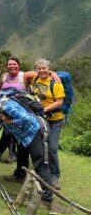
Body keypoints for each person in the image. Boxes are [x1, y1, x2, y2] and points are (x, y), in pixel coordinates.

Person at [0, 86, 55, 205]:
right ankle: (20, 176)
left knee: (40, 163)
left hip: (34, 131)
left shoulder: (6, 104)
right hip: (22, 136)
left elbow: (28, 119)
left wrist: (10, 121)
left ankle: (47, 197)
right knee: (21, 156)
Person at [25, 59, 65, 189]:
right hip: (40, 119)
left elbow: (59, 102)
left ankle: (55, 176)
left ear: (49, 68)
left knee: (52, 148)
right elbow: (26, 74)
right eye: (39, 68)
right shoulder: (36, 78)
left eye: (45, 68)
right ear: (36, 70)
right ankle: (43, 172)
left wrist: (44, 109)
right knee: (41, 147)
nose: (42, 71)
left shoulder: (56, 83)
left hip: (55, 120)